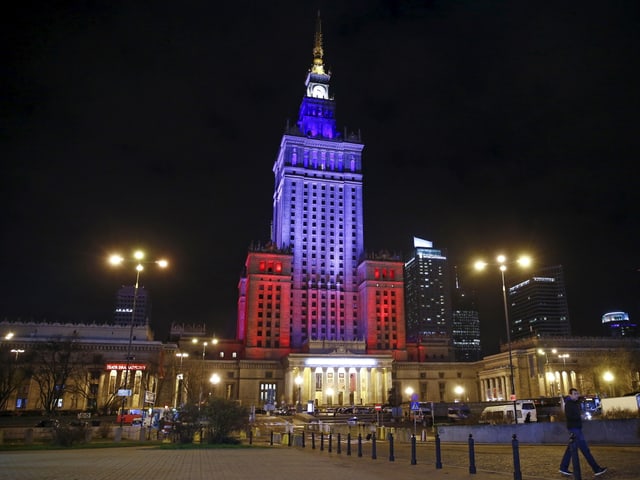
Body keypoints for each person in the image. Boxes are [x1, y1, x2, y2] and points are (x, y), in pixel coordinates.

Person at [559, 388, 607, 476]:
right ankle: (596, 469)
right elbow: (570, 417)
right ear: (570, 395)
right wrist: (580, 416)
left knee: (570, 449)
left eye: (577, 393)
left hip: (575, 428)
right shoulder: (569, 404)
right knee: (585, 449)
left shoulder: (574, 403)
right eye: (575, 394)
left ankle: (563, 467)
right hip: (575, 429)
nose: (577, 395)